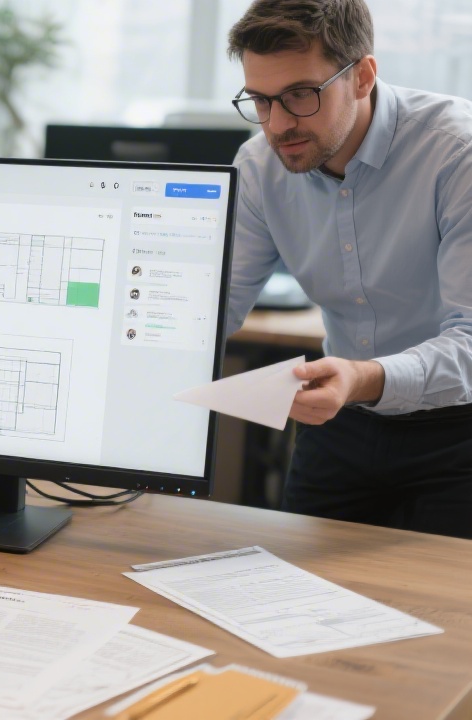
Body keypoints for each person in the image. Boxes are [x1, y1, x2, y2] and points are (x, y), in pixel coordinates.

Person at [224, 0, 472, 538]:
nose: (279, 124)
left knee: (443, 610)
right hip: (341, 424)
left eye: (300, 95)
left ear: (362, 76)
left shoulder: (457, 154)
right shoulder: (260, 166)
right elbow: (212, 309)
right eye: (261, 101)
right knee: (295, 597)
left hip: (459, 428)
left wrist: (363, 377)